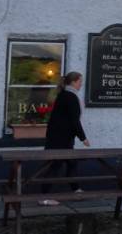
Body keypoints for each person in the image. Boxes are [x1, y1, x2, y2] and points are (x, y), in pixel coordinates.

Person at [39, 71, 90, 206]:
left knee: (72, 163)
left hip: (61, 137)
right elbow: (74, 120)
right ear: (73, 82)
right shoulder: (70, 97)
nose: (81, 84)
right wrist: (83, 138)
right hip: (60, 139)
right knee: (55, 166)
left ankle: (76, 190)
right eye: (80, 81)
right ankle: (44, 197)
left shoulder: (65, 95)